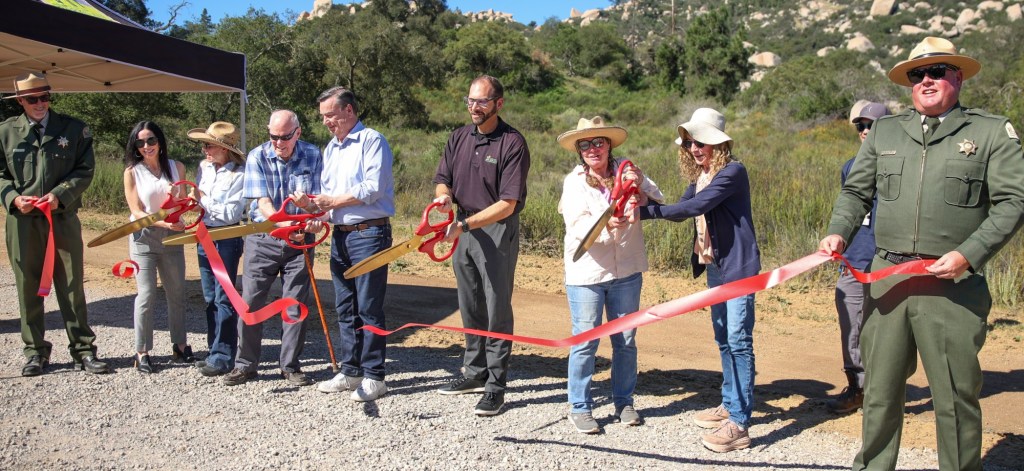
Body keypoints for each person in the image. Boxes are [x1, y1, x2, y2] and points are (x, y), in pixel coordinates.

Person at [819, 36, 1024, 471]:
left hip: (951, 284)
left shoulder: (989, 131)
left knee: (954, 395)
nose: (926, 80)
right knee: (880, 390)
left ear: (958, 77)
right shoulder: (887, 131)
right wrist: (838, 231)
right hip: (888, 279)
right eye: (917, 74)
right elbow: (856, 191)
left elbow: (1014, 202)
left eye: (937, 72)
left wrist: (969, 254)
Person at [638, 108, 761, 452]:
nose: (694, 148)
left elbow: (692, 209)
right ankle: (729, 403)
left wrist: (639, 213)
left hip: (738, 269)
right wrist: (644, 199)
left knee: (738, 340)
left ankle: (739, 423)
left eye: (700, 142)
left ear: (717, 143)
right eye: (690, 142)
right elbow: (679, 208)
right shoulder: (702, 176)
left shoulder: (732, 172)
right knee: (724, 338)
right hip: (716, 266)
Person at [556, 116, 664, 434]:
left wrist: (641, 181)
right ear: (579, 150)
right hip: (587, 274)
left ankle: (624, 402)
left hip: (627, 270)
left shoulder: (627, 172)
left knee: (626, 341)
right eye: (585, 144)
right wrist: (607, 226)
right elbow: (577, 227)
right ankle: (579, 407)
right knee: (586, 341)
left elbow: (658, 200)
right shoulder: (573, 182)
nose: (592, 149)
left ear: (609, 145)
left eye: (598, 142)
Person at [433, 75, 531, 416]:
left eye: (482, 102)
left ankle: (495, 386)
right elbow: (442, 180)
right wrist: (444, 201)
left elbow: (508, 202)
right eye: (470, 101)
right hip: (462, 228)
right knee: (469, 302)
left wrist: (464, 224)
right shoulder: (458, 137)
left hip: (496, 230)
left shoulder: (513, 143)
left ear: (498, 104)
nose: (474, 107)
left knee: (496, 307)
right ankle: (473, 373)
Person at [0, 72, 110, 376]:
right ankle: (35, 351)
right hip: (22, 222)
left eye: (45, 97)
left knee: (72, 284)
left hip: (61, 218)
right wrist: (12, 197)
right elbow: (1, 175)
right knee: (28, 286)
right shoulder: (6, 132)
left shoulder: (73, 129)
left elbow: (84, 170)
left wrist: (59, 196)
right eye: (33, 99)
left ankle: (84, 350)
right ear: (20, 101)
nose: (40, 104)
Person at [223, 109, 323, 387]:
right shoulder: (257, 156)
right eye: (273, 136)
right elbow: (264, 205)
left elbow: (317, 206)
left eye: (284, 137)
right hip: (263, 238)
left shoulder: (314, 155)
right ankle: (245, 365)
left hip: (300, 240)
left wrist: (312, 217)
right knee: (252, 301)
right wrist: (289, 220)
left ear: (298, 133)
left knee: (295, 304)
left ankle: (290, 366)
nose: (278, 143)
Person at [310, 87, 395, 402]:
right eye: (323, 117)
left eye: (329, 115)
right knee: (345, 307)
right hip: (341, 235)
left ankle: (375, 376)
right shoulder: (330, 148)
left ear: (348, 111)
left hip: (369, 234)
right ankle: (351, 370)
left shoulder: (373, 141)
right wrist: (320, 213)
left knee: (369, 306)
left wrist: (331, 201)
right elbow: (329, 194)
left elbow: (373, 187)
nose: (326, 122)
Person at [825, 101, 889, 414]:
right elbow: (850, 212)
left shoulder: (898, 165)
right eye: (859, 126)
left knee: (887, 330)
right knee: (851, 326)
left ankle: (886, 392)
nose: (864, 131)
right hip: (854, 259)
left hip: (890, 263)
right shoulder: (850, 167)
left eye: (871, 125)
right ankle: (857, 389)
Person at [123, 120, 192, 373]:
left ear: (160, 142)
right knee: (147, 294)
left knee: (177, 292)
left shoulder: (177, 167)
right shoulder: (132, 172)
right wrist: (162, 223)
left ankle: (180, 346)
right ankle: (142, 351)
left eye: (151, 140)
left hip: (172, 236)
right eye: (140, 142)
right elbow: (136, 210)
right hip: (144, 237)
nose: (146, 146)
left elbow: (183, 202)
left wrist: (182, 201)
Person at [186, 122, 246, 377]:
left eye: (209, 145)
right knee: (210, 296)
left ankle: (224, 355)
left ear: (224, 149)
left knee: (224, 297)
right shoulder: (204, 168)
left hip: (226, 237)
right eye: (205, 145)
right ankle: (215, 350)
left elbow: (231, 213)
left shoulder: (241, 175)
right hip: (205, 234)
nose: (205, 150)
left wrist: (202, 202)